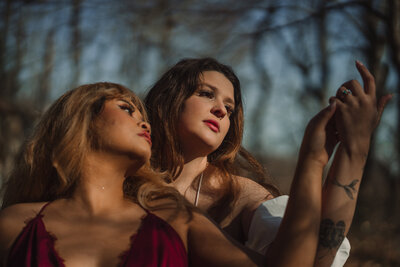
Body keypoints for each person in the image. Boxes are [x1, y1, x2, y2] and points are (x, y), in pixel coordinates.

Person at [0, 82, 332, 266]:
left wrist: (313, 159)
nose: (143, 122)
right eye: (126, 109)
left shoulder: (175, 219)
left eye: (229, 108)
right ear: (80, 122)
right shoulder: (14, 225)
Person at [144, 58, 392, 266]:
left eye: (229, 108)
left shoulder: (241, 196)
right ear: (167, 101)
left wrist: (352, 151)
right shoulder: (126, 180)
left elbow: (313, 259)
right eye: (207, 94)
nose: (220, 110)